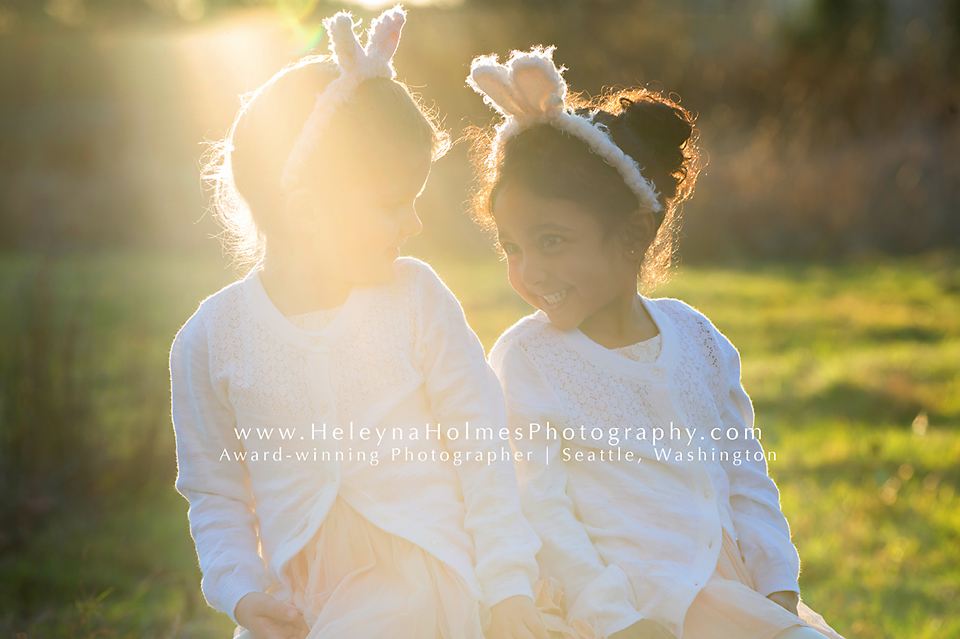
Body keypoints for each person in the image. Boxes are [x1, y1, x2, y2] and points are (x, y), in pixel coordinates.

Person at [169, 8, 550, 639]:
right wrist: (241, 592)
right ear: (309, 212)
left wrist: (507, 584)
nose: (414, 225)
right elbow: (216, 493)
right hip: (298, 599)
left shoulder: (415, 298)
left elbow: (482, 444)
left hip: (421, 578)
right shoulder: (210, 340)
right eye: (392, 204)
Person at [466, 46, 847, 639]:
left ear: (634, 233)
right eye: (512, 247)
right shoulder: (527, 361)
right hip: (632, 601)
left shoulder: (696, 339)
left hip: (733, 592)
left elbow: (745, 473)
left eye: (553, 241)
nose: (528, 271)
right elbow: (539, 507)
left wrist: (777, 584)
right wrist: (615, 620)